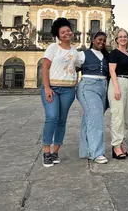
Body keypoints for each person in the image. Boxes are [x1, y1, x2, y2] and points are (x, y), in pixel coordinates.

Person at [40, 18, 79, 167]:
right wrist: (47, 87)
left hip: (68, 90)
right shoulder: (53, 48)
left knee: (62, 120)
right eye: (63, 32)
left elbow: (78, 66)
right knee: (52, 117)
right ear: (58, 34)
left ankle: (55, 152)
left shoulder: (75, 51)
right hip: (53, 88)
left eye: (68, 30)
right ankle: (46, 151)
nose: (66, 33)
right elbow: (45, 67)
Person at [76, 31, 110, 164]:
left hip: (103, 87)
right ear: (93, 40)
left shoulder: (106, 56)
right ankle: (97, 153)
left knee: (89, 118)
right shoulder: (83, 54)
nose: (101, 42)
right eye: (99, 40)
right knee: (96, 117)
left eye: (103, 41)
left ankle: (86, 151)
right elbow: (73, 69)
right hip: (87, 87)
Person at [108, 28, 128, 160]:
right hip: (118, 82)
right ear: (116, 39)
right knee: (117, 116)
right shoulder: (114, 53)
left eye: (125, 36)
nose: (123, 38)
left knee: (126, 117)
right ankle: (115, 146)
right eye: (120, 36)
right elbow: (112, 71)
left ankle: (121, 143)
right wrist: (116, 88)